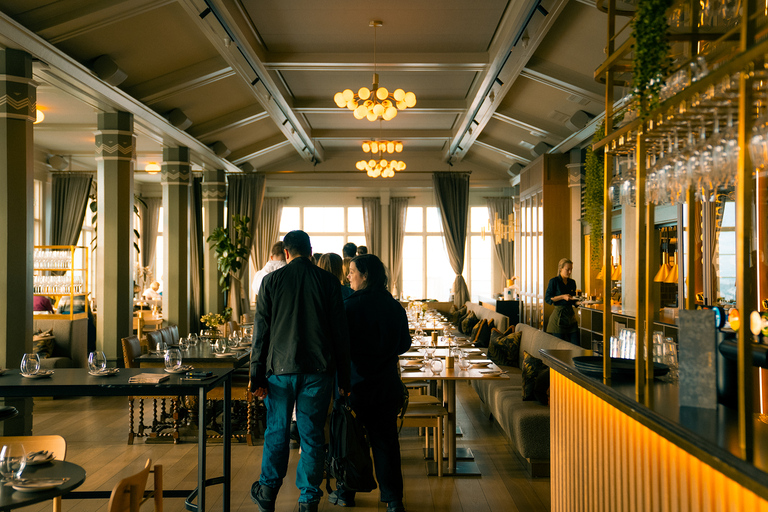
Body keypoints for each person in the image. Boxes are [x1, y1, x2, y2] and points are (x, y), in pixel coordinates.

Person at [250, 230, 351, 512]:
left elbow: (261, 334)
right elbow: (340, 335)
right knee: (312, 435)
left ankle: (268, 491)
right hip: (319, 371)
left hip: (279, 371)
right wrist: (344, 378)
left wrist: (255, 376)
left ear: (285, 253)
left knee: (277, 431)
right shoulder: (328, 281)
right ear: (310, 251)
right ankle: (308, 498)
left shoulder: (271, 281)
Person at [329, 254, 410, 512]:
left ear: (365, 275)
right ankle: (393, 500)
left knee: (352, 441)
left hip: (355, 384)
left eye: (352, 271)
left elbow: (338, 347)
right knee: (386, 442)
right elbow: (404, 345)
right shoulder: (394, 306)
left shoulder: (348, 306)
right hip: (385, 385)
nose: (348, 276)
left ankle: (346, 494)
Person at [545, 258, 580, 345]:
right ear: (561, 269)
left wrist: (580, 303)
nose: (570, 272)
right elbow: (548, 298)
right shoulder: (554, 281)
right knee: (560, 347)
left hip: (570, 317)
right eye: (567, 269)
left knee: (576, 345)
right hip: (558, 318)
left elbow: (572, 301)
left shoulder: (572, 282)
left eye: (571, 269)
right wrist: (562, 297)